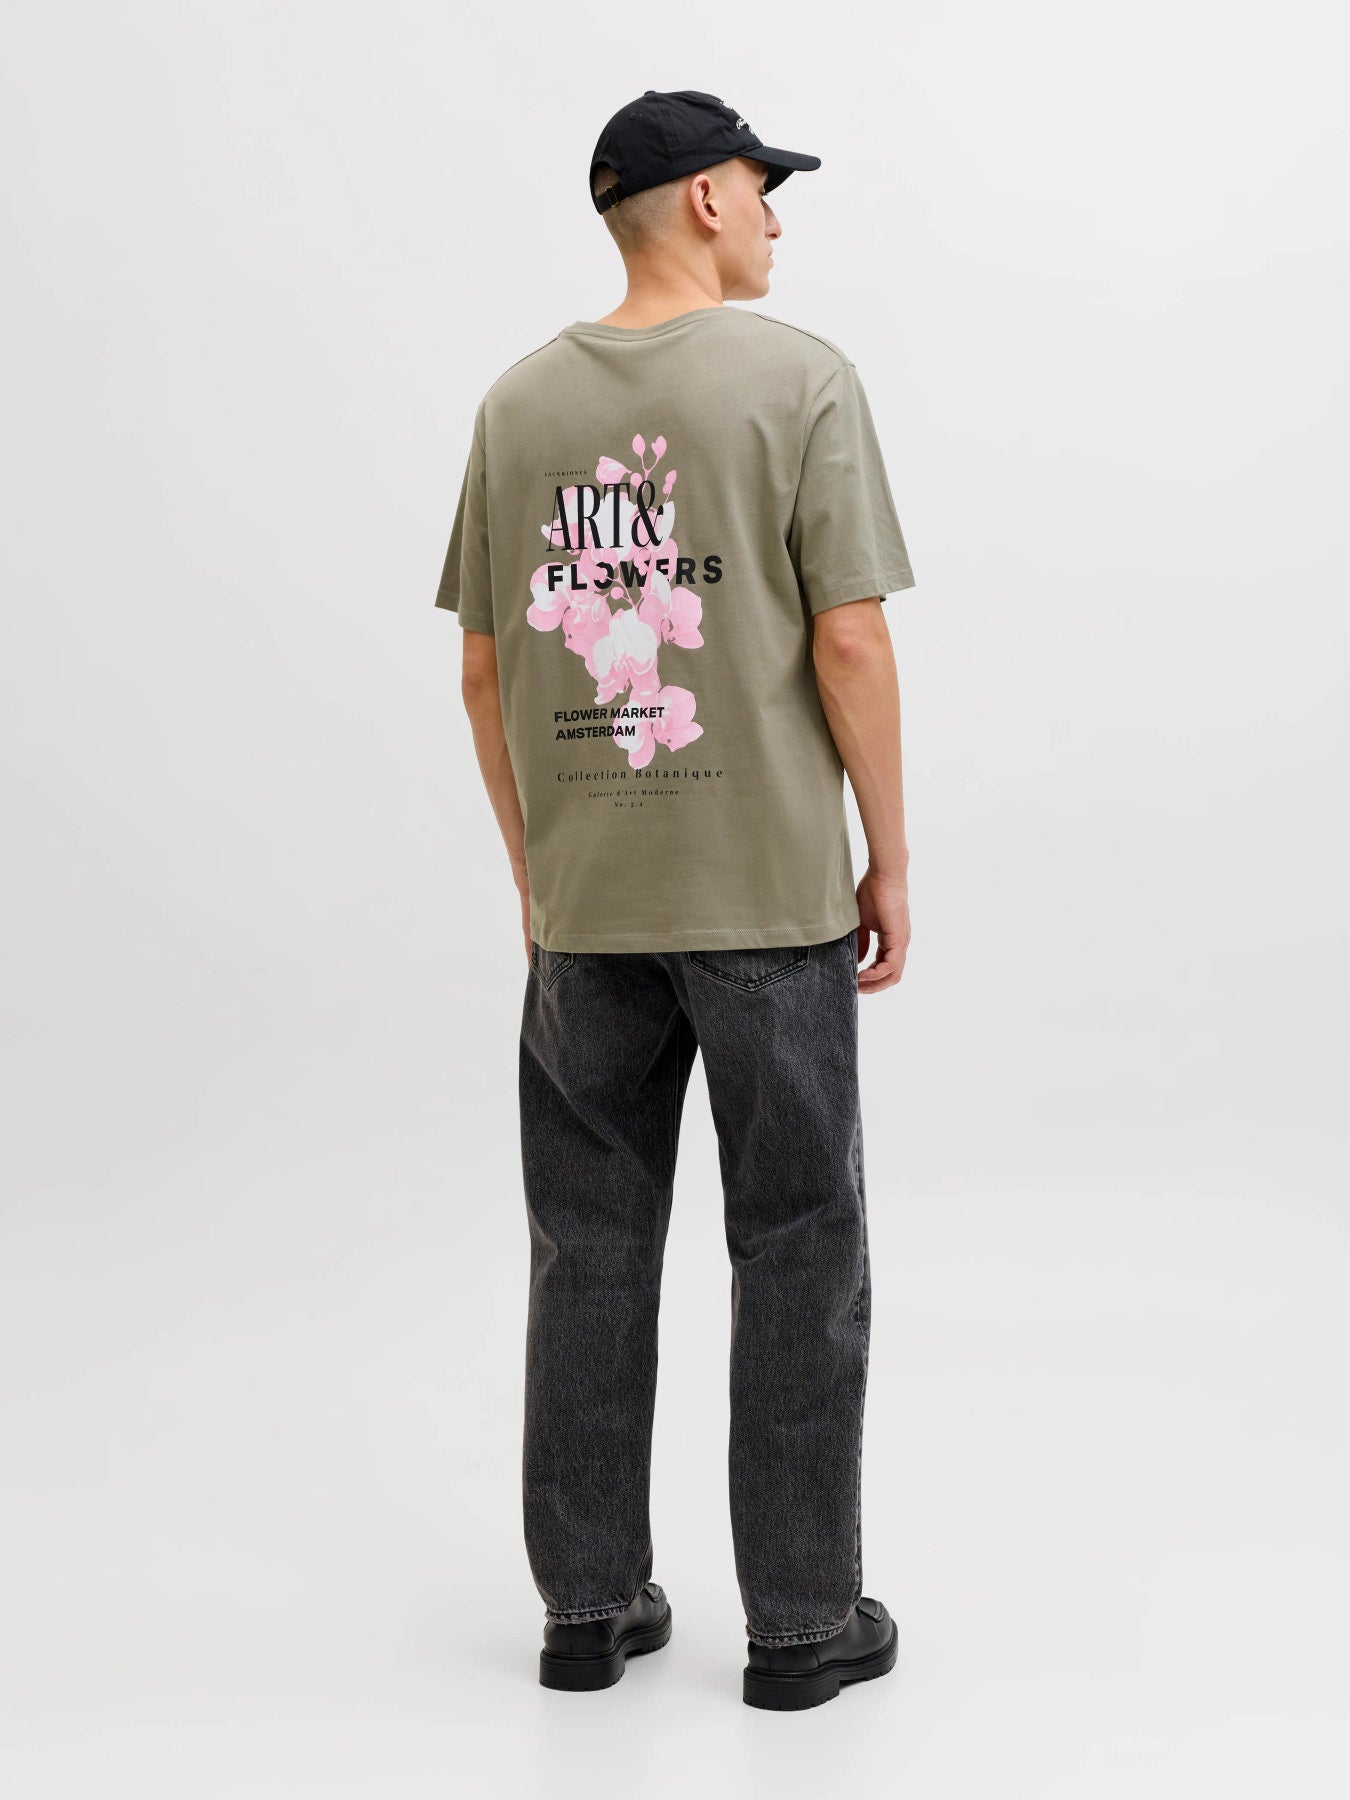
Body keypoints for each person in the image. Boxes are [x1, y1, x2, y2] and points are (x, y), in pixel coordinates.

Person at [434, 88, 916, 1711]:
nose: (776, 217)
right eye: (763, 188)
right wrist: (886, 855)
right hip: (765, 894)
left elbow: (485, 670)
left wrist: (539, 872)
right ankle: (799, 1628)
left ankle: (585, 1611)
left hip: (588, 908)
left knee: (586, 1246)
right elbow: (847, 638)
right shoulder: (798, 379)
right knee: (796, 1243)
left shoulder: (516, 404)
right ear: (703, 196)